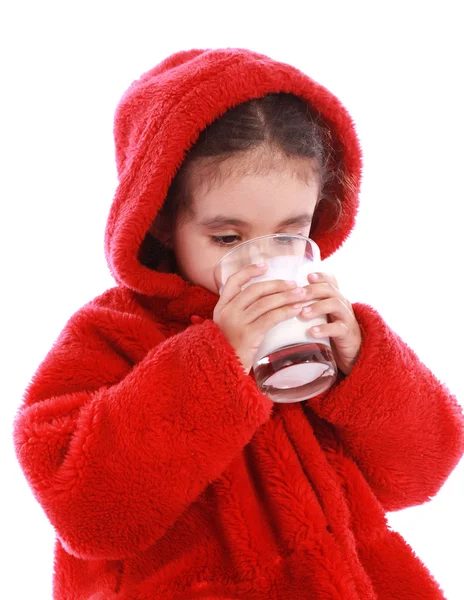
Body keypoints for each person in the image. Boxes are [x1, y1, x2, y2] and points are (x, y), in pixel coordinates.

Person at [13, 47, 464, 600]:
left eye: (290, 234)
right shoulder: (110, 335)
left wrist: (364, 365)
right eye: (227, 239)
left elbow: (420, 476)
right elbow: (90, 516)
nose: (258, 263)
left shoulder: (319, 327)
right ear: (158, 221)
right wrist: (213, 361)